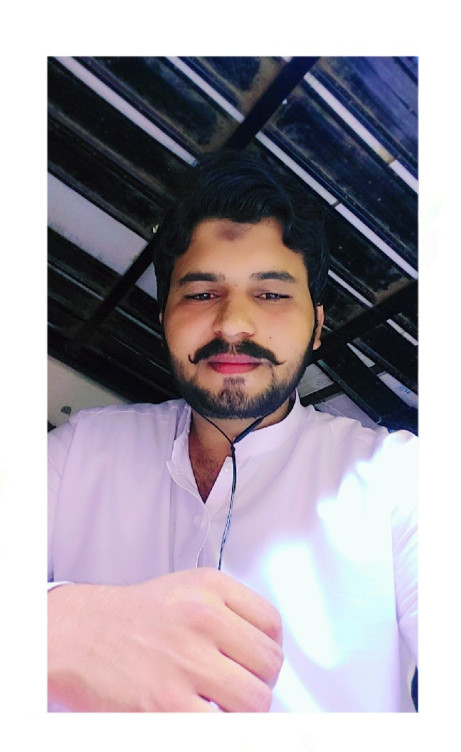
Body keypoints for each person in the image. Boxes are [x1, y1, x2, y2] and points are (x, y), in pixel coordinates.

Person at [48, 150, 417, 713]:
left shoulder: (399, 478)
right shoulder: (82, 450)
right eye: (201, 294)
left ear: (317, 325)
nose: (234, 324)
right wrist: (64, 625)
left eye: (271, 294)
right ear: (164, 317)